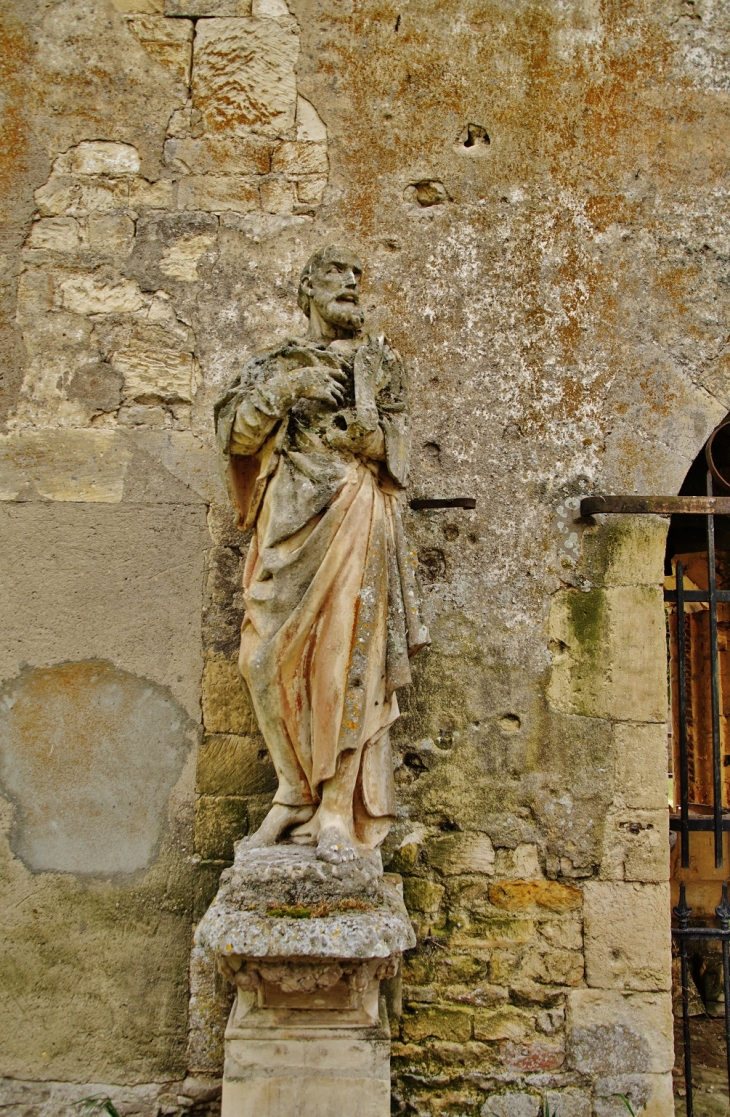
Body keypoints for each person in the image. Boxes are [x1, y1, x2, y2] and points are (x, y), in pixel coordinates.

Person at [214, 244, 428, 864]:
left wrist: (373, 438)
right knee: (259, 661)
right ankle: (291, 792)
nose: (352, 286)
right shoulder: (273, 364)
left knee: (344, 659)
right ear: (306, 289)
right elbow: (234, 435)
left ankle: (336, 806)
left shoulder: (378, 364)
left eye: (357, 278)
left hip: (355, 512)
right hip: (286, 526)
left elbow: (401, 450)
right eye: (337, 276)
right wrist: (289, 387)